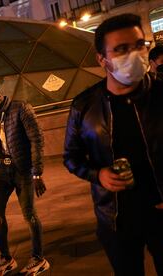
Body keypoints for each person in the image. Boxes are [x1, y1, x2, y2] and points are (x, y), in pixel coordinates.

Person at [63, 14, 163, 276]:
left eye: (140, 45)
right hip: (116, 219)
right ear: (101, 59)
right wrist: (98, 174)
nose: (134, 54)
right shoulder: (84, 106)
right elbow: (71, 157)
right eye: (121, 49)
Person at [0, 81, 49, 276]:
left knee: (30, 215)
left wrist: (37, 173)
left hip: (23, 170)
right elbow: (1, 147)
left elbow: (37, 139)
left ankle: (39, 259)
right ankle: (6, 258)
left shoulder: (20, 108)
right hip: (1, 171)